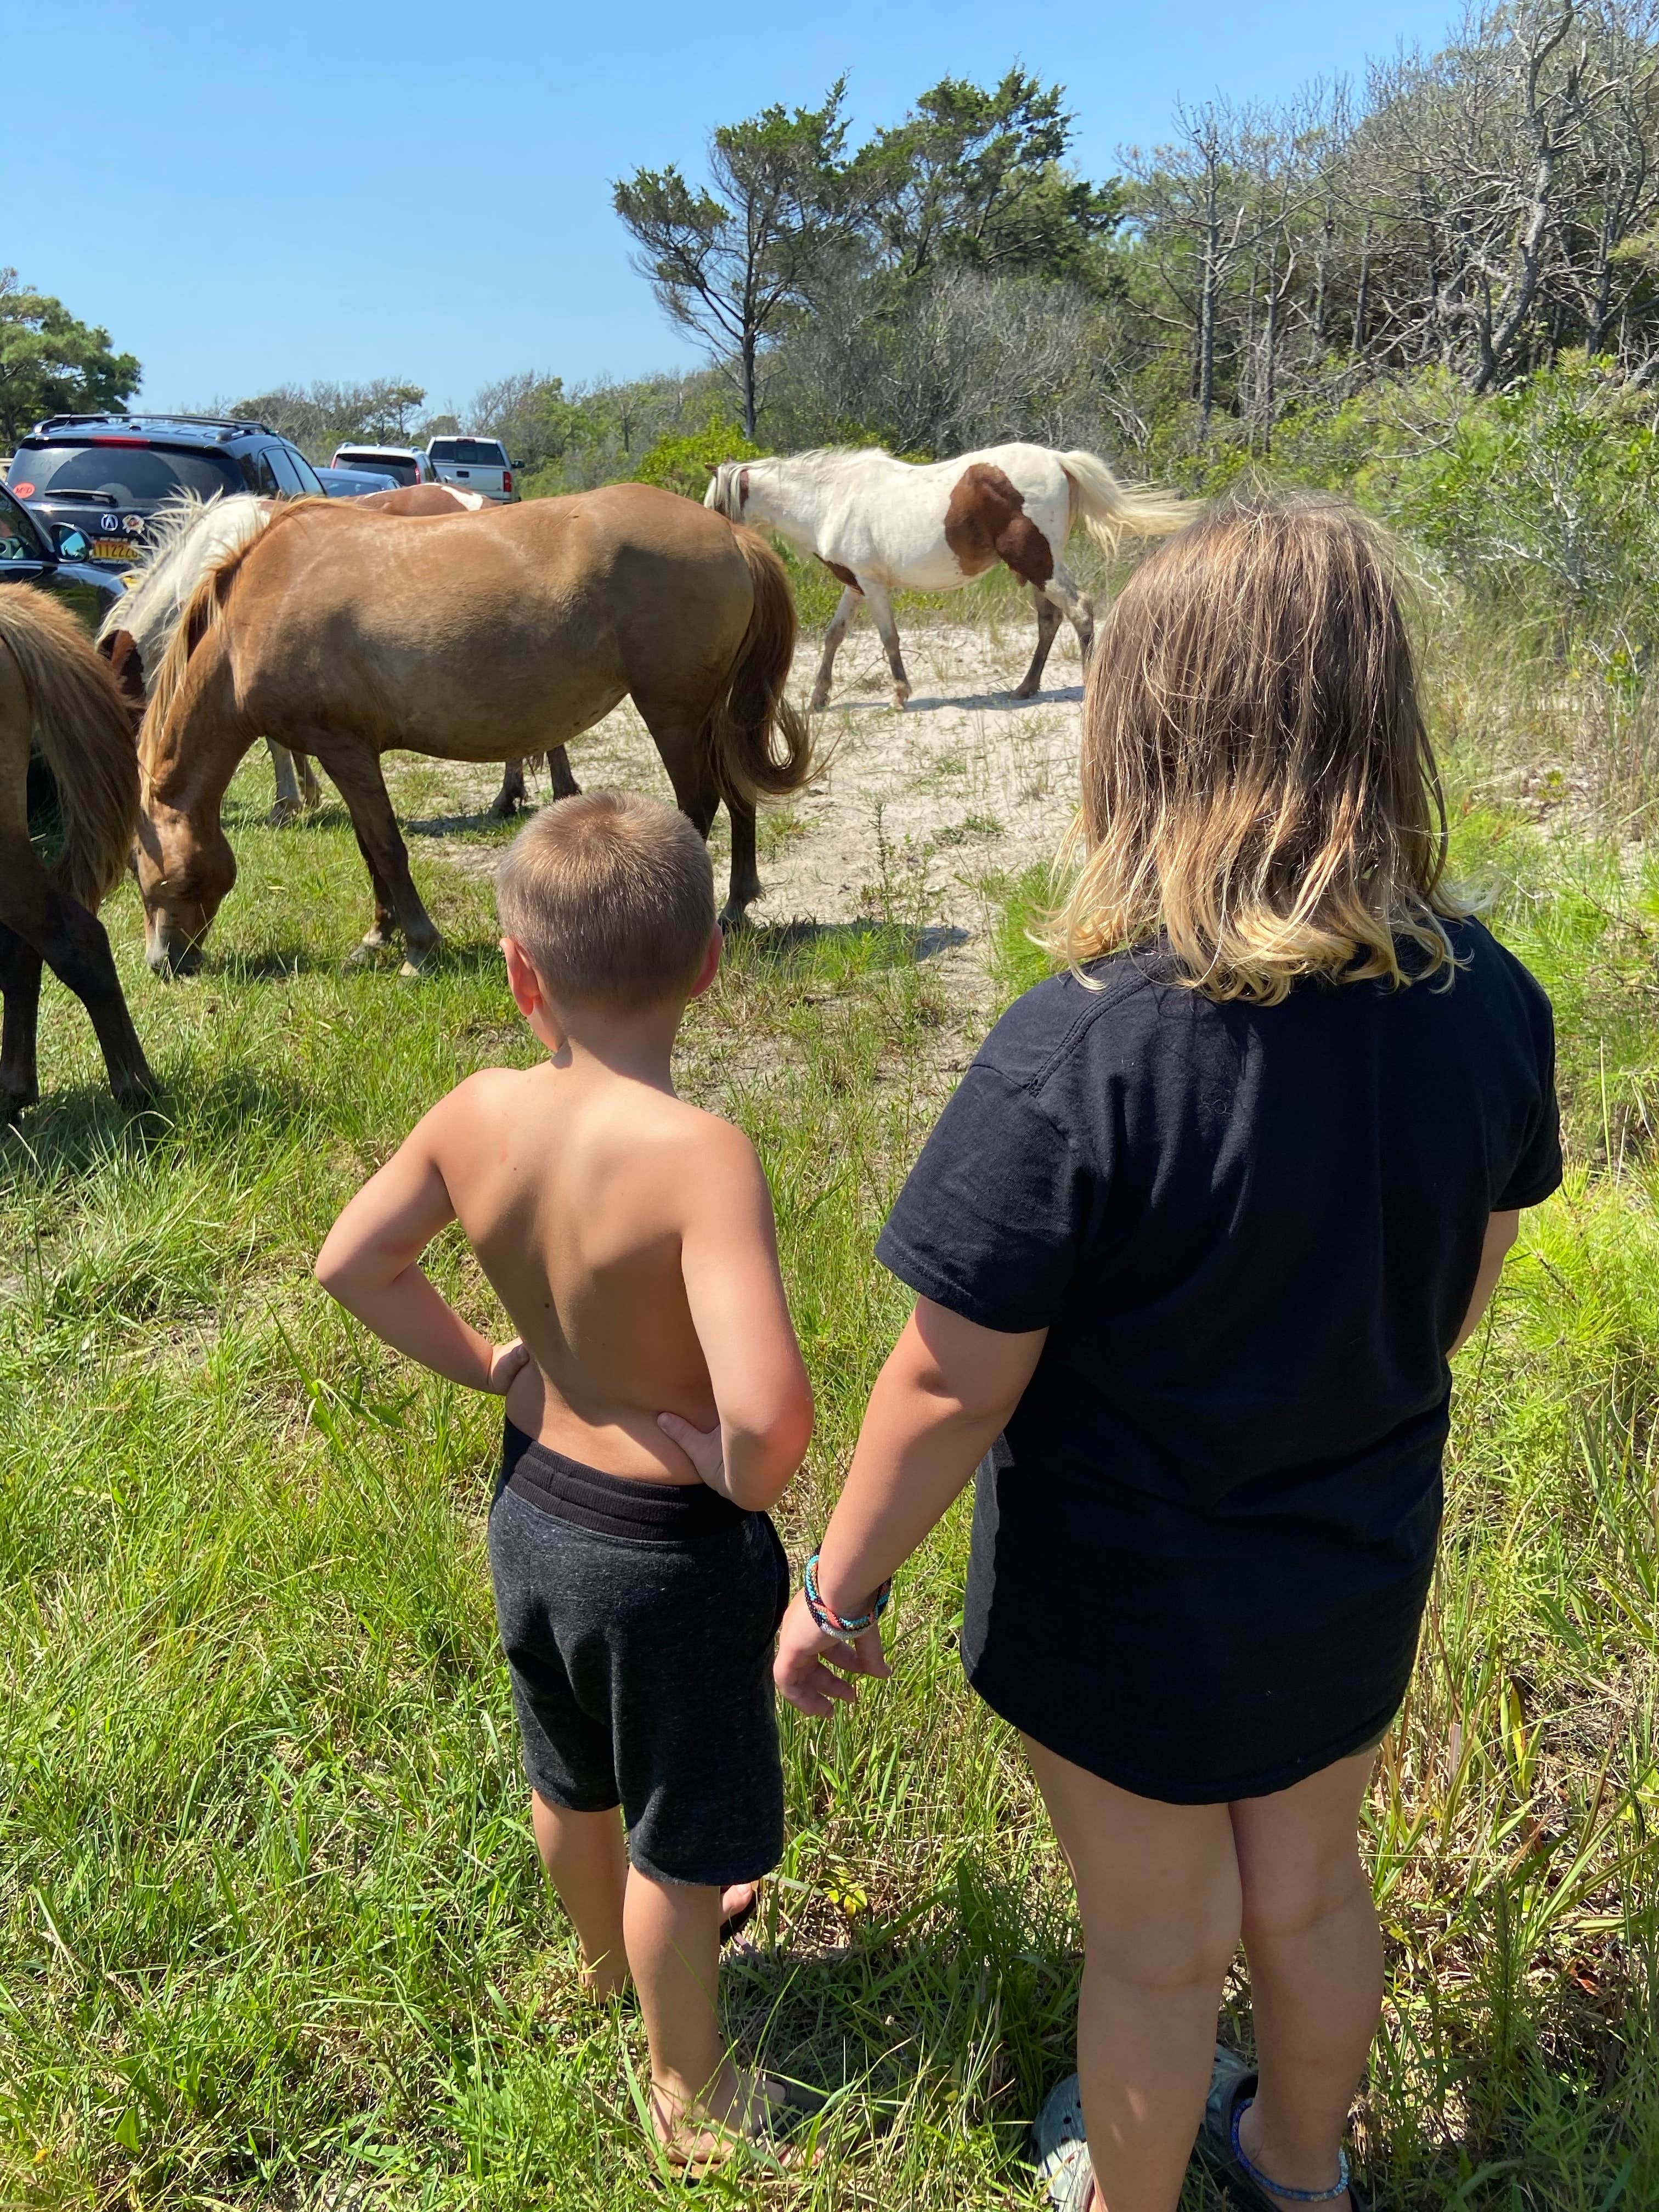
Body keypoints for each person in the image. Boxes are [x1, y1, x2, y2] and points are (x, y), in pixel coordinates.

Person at [769, 498, 1561, 2212]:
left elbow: (946, 1382)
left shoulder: (1081, 1053)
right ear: (1381, 722)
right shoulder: (1489, 998)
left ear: (1144, 737)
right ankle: (1296, 2166)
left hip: (1119, 1600)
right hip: (1350, 1559)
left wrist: (836, 1589)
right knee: (1310, 1889)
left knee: (1154, 1952)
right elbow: (1462, 1284)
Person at [315, 789, 814, 2174]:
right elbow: (770, 1429)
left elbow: (352, 1264)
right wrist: (709, 1453)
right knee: (683, 1838)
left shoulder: (477, 1113)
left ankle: (602, 1969)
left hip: (532, 1508)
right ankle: (688, 2087)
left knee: (572, 1775)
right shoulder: (701, 1158)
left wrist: (495, 1364)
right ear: (711, 964)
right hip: (666, 1553)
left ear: (518, 971)